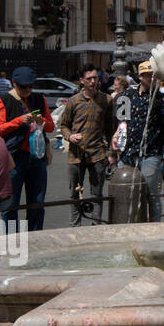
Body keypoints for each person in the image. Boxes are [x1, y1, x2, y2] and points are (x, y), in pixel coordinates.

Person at [118, 61, 164, 222]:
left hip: (151, 153)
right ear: (140, 76)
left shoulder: (160, 98)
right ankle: (128, 226)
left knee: (151, 193)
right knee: (126, 193)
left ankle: (154, 227)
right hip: (127, 152)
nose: (153, 78)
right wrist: (115, 138)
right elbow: (120, 122)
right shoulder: (126, 96)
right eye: (148, 75)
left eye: (155, 76)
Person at [0, 66, 54, 231]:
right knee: (11, 203)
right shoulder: (3, 101)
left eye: (30, 86)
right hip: (14, 157)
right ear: (14, 83)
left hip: (37, 155)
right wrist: (19, 121)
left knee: (37, 202)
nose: (27, 90)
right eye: (23, 87)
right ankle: (11, 239)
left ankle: (34, 236)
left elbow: (50, 127)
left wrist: (42, 121)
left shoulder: (39, 99)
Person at [59, 66, 113, 226]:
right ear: (82, 81)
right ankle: (75, 226)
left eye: (95, 78)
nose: (93, 81)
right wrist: (70, 136)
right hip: (76, 154)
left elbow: (110, 129)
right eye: (89, 78)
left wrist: (111, 153)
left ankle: (96, 225)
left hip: (97, 154)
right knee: (74, 193)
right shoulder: (73, 101)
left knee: (97, 194)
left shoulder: (107, 100)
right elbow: (63, 126)